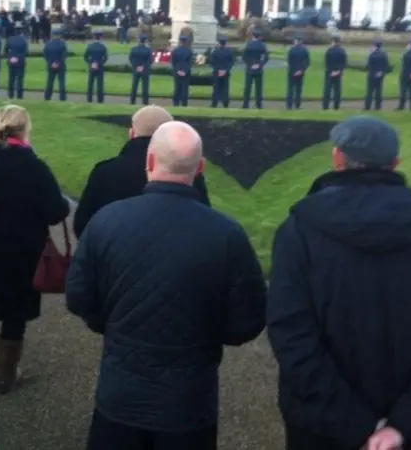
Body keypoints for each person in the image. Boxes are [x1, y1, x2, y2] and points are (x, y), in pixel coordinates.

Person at [267, 116, 411, 450]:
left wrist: (361, 424)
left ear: (337, 158)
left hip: (321, 425)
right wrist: (401, 425)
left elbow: (292, 338)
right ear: (395, 164)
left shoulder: (297, 233)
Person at [66, 121, 266, 450]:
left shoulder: (107, 221)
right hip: (188, 399)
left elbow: (79, 296)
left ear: (149, 161)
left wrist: (114, 325)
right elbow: (247, 321)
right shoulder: (226, 234)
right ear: (199, 168)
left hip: (123, 391)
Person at [0, 105, 70, 395]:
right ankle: (5, 376)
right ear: (24, 130)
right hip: (21, 252)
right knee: (15, 314)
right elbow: (55, 211)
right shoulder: (34, 166)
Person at [73, 105, 210, 238]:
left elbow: (82, 225)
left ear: (131, 134)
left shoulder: (105, 172)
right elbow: (205, 220)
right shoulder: (185, 173)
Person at [242, 29, 269, 109]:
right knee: (259, 88)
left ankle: (245, 104)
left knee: (247, 87)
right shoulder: (262, 45)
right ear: (259, 37)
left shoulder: (248, 44)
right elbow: (266, 57)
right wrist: (260, 64)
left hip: (250, 68)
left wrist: (250, 64)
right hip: (259, 69)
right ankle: (259, 104)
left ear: (253, 35)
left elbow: (244, 57)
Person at [5, 22, 29, 100]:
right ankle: (19, 96)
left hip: (11, 62)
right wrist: (18, 58)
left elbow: (5, 51)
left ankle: (10, 95)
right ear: (21, 30)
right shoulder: (24, 40)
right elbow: (26, 52)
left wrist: (11, 58)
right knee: (20, 79)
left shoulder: (9, 39)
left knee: (11, 79)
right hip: (20, 62)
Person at [43, 27, 68, 101]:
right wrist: (57, 63)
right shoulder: (63, 44)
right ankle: (62, 99)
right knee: (61, 83)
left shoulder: (48, 44)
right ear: (59, 35)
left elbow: (45, 55)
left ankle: (47, 98)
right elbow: (64, 55)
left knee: (50, 83)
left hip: (51, 66)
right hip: (61, 66)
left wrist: (51, 63)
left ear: (52, 34)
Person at [322, 35, 347, 110]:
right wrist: (339, 71)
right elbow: (344, 63)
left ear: (333, 41)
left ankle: (325, 106)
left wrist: (331, 71)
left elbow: (327, 63)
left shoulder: (329, 50)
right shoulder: (342, 51)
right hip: (338, 72)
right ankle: (336, 106)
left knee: (327, 90)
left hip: (329, 72)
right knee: (337, 90)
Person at [208, 35, 234, 108]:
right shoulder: (229, 51)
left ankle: (214, 103)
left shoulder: (215, 51)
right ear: (225, 43)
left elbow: (212, 62)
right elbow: (231, 62)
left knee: (216, 88)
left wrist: (218, 70)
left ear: (219, 43)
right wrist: (225, 70)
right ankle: (225, 103)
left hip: (217, 72)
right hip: (225, 73)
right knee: (225, 88)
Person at [364, 39, 389, 111]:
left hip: (372, 74)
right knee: (379, 90)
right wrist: (381, 72)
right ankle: (378, 106)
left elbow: (368, 65)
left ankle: (367, 106)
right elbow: (386, 65)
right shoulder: (384, 54)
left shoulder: (372, 54)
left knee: (370, 91)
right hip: (380, 74)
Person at [286, 36, 310, 110]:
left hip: (292, 72)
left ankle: (289, 105)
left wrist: (294, 71)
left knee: (290, 89)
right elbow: (307, 62)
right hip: (300, 72)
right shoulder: (305, 50)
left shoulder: (291, 50)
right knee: (298, 90)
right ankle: (297, 105)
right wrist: (301, 70)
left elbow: (289, 61)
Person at [84, 30, 108, 103]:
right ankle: (100, 99)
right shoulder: (102, 47)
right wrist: (100, 63)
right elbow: (106, 57)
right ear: (100, 37)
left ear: (94, 37)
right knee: (100, 84)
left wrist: (90, 63)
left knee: (90, 83)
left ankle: (89, 99)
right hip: (100, 67)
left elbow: (85, 56)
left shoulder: (90, 46)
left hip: (92, 66)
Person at [129, 34, 152, 105]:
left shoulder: (134, 49)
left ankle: (132, 101)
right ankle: (145, 102)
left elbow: (131, 59)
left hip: (136, 70)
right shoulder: (148, 50)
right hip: (145, 71)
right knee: (145, 87)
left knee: (134, 86)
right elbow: (150, 60)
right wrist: (143, 67)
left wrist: (136, 67)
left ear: (139, 40)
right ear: (145, 41)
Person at [171, 35, 193, 107]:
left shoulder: (175, 50)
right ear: (186, 42)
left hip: (177, 71)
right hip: (185, 72)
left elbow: (173, 62)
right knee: (185, 88)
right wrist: (185, 71)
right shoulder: (189, 51)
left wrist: (177, 70)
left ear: (180, 41)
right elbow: (189, 63)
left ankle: (176, 102)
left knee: (177, 87)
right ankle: (184, 103)